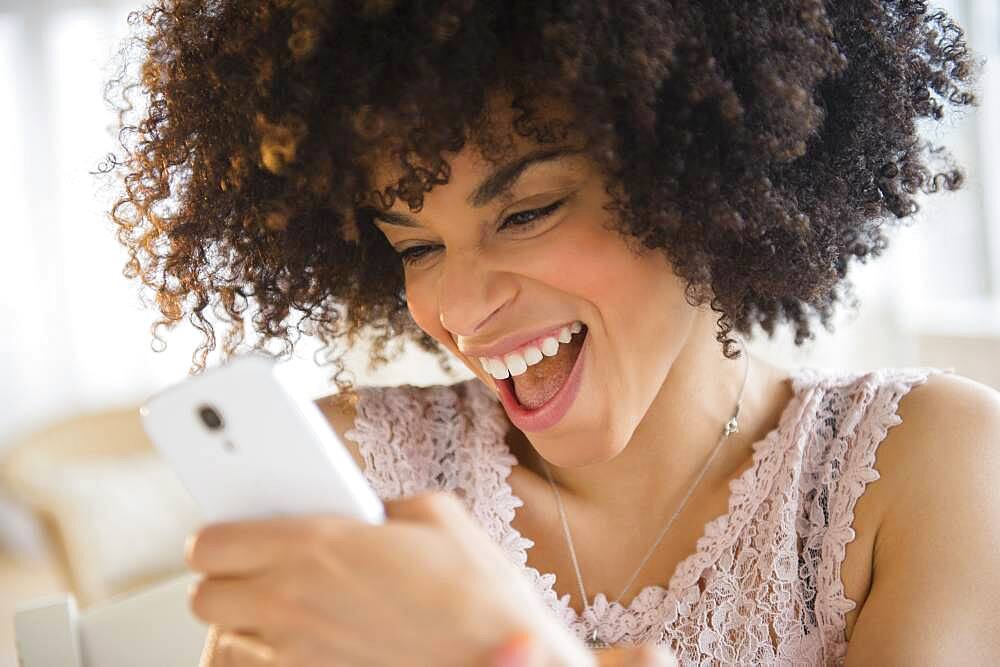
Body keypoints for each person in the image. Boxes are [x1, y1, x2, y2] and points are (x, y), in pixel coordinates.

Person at [103, 0, 1000, 664]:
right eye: (415, 246)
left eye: (528, 212)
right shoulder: (361, 481)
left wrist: (504, 647)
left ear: (699, 186)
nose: (459, 309)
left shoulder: (927, 468)